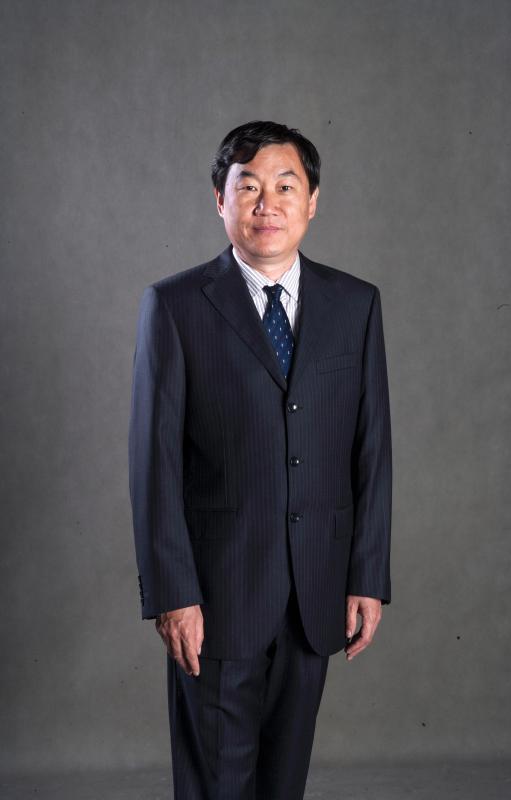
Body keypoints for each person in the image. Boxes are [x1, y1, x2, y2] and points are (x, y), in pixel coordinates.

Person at [128, 120, 392, 800]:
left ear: (312, 201)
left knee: (283, 784)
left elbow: (371, 448)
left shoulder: (355, 305)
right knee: (217, 784)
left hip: (315, 593)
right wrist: (173, 593)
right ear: (220, 200)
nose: (266, 204)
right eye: (247, 187)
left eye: (285, 187)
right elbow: (154, 464)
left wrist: (366, 576)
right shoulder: (175, 306)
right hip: (214, 599)